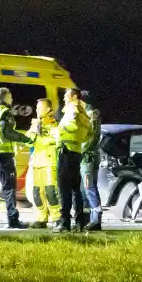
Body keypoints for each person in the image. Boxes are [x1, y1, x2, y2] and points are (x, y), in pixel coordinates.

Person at [0, 87, 32, 228]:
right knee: (9, 186)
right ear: (5, 97)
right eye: (10, 96)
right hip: (4, 154)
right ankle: (13, 219)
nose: (12, 99)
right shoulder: (5, 112)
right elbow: (8, 132)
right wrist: (25, 139)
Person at [52, 88, 91, 232]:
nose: (63, 98)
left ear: (74, 96)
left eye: (66, 96)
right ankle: (80, 222)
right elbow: (89, 134)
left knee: (64, 190)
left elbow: (70, 126)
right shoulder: (84, 112)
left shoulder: (72, 110)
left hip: (66, 151)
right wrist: (77, 141)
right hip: (76, 152)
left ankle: (64, 223)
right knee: (76, 190)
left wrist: (57, 131)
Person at [26, 98, 60, 228]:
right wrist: (33, 132)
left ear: (47, 109)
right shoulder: (35, 124)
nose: (37, 110)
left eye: (39, 108)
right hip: (36, 162)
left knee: (51, 191)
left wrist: (43, 141)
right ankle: (41, 218)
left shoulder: (53, 124)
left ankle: (57, 217)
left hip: (49, 162)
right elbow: (27, 140)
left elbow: (58, 139)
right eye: (36, 108)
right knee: (37, 192)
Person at [80, 92, 103, 231]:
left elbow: (91, 138)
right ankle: (87, 218)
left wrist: (78, 151)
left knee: (89, 187)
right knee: (84, 189)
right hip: (84, 157)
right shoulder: (84, 113)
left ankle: (96, 219)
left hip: (88, 157)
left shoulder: (91, 115)